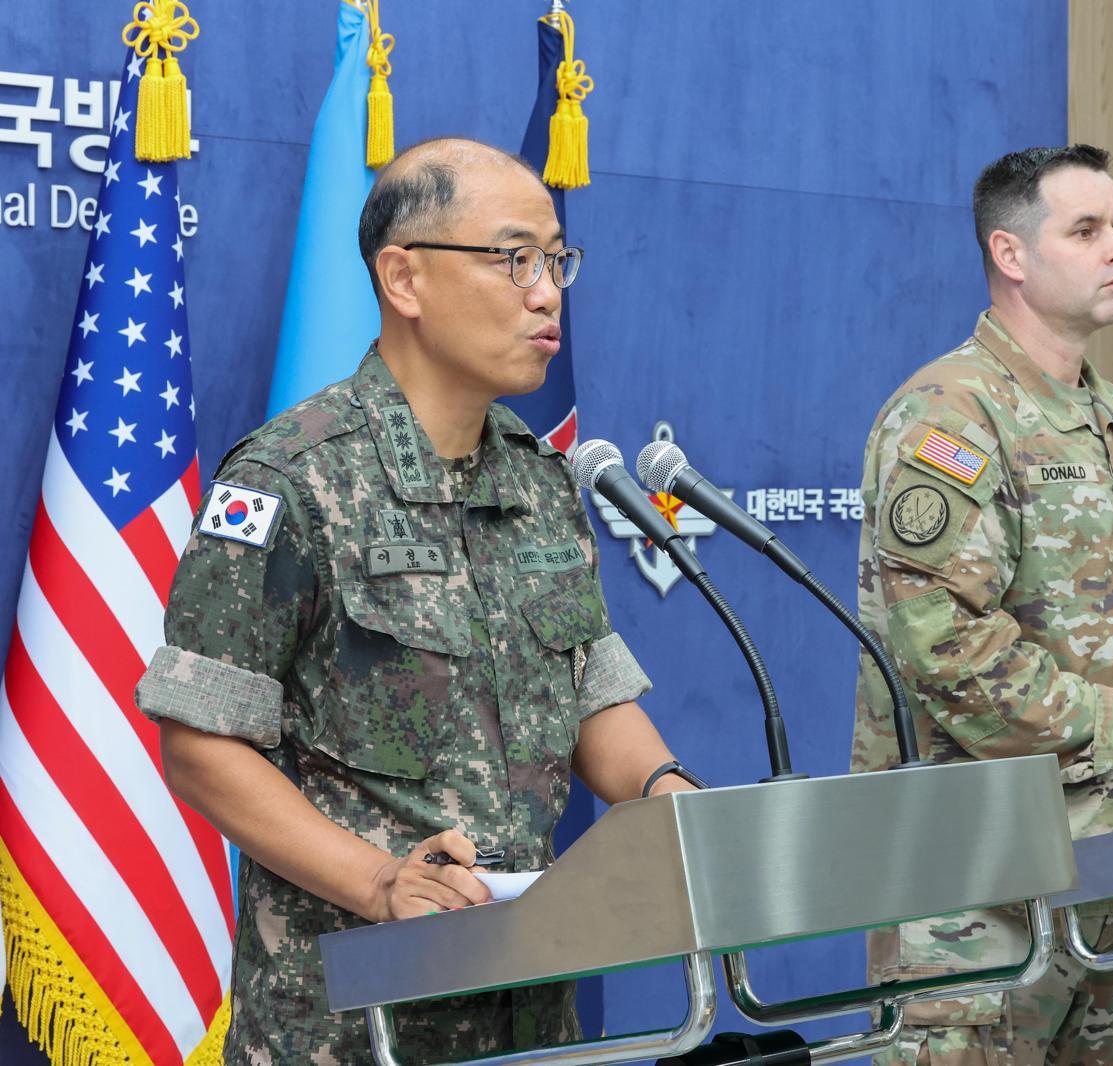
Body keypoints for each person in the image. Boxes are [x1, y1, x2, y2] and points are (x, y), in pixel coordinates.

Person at [135, 138, 699, 1063]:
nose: (548, 291)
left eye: (557, 259)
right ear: (403, 277)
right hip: (350, 1019)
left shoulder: (539, 477)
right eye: (514, 257)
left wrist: (666, 795)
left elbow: (592, 692)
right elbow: (202, 745)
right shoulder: (293, 479)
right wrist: (378, 882)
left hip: (529, 1004)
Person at [852, 145, 1113, 1066]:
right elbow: (938, 647)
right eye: (1088, 229)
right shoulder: (951, 417)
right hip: (976, 892)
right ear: (1011, 254)